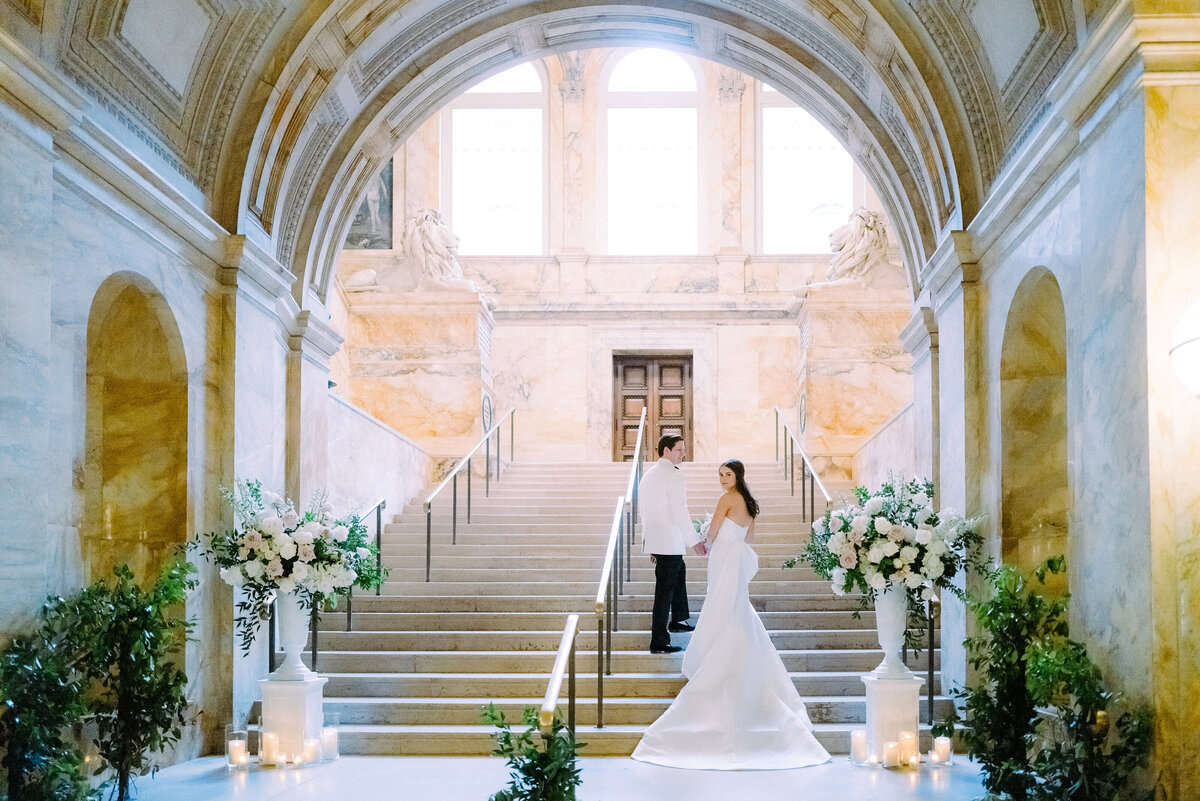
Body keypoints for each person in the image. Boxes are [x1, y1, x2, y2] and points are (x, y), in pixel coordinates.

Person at [631, 459, 831, 770]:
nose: (723, 480)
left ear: (737, 475)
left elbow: (710, 534)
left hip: (723, 557)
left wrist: (703, 542)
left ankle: (719, 657)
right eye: (721, 475)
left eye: (727, 474)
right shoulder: (750, 504)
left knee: (721, 606)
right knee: (734, 606)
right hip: (735, 557)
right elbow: (748, 540)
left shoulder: (726, 499)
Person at [638, 434, 706, 654]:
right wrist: (694, 541)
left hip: (662, 541)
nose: (683, 454)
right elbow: (680, 510)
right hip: (668, 540)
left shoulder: (649, 475)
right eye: (679, 449)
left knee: (679, 572)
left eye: (683, 449)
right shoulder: (673, 475)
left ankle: (678, 619)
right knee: (664, 593)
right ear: (665, 450)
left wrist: (650, 544)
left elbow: (644, 512)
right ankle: (658, 641)